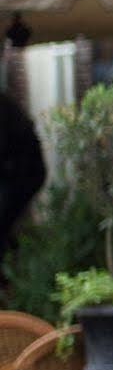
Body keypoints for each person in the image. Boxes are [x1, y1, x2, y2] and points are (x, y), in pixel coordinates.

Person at [0, 85, 45, 262]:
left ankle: (12, 269)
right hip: (19, 172)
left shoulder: (4, 108)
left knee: (6, 220)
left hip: (23, 174)